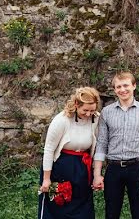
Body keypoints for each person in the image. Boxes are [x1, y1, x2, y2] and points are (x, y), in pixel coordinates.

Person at [92, 71, 139, 219]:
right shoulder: (106, 113)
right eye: (118, 86)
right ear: (114, 90)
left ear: (134, 86)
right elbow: (101, 144)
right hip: (113, 168)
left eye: (126, 85)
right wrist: (97, 175)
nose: (122, 89)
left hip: (137, 167)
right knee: (111, 212)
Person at [38, 86, 102, 219]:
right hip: (60, 169)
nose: (89, 114)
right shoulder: (62, 120)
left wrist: (96, 173)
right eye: (85, 110)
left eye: (92, 110)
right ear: (77, 104)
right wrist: (46, 179)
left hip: (82, 169)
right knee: (58, 206)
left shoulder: (95, 119)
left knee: (82, 209)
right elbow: (49, 149)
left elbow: (97, 147)